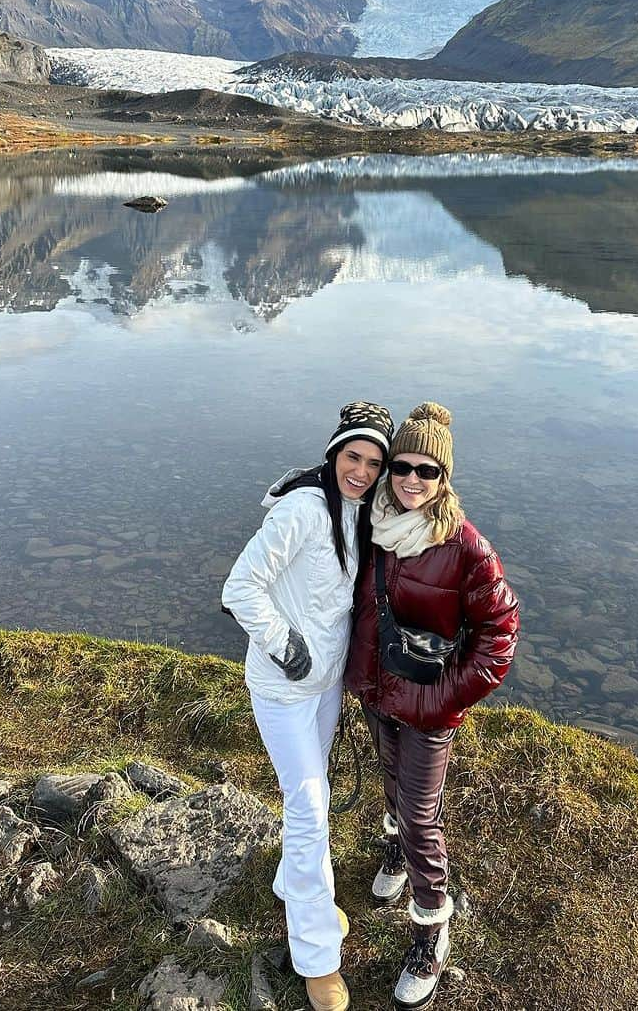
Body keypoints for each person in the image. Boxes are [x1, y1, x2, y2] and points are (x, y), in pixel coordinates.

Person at [344, 402, 520, 1010]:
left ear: (445, 478)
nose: (410, 480)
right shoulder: (376, 524)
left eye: (427, 471)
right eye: (401, 467)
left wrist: (444, 697)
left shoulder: (466, 546)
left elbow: (500, 634)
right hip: (378, 691)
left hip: (429, 706)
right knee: (391, 789)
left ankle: (430, 931)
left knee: (422, 816)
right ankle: (392, 852)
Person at [222, 401, 395, 1011]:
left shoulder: (358, 511)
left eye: (375, 462)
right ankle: (317, 958)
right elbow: (239, 587)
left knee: (310, 797)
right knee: (310, 806)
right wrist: (285, 646)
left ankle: (292, 886)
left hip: (322, 687)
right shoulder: (301, 510)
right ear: (333, 452)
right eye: (353, 456)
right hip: (281, 686)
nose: (363, 471)